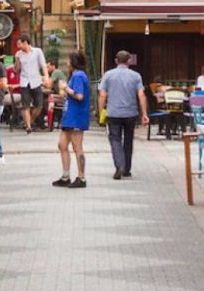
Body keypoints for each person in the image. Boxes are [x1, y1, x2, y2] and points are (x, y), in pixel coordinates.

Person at [98, 50, 149, 180]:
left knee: (114, 139)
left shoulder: (108, 75)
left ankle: (119, 164)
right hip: (130, 113)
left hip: (113, 113)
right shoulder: (136, 76)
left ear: (116, 61)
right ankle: (126, 169)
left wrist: (100, 111)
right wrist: (144, 113)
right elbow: (141, 95)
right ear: (129, 61)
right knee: (128, 140)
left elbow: (102, 95)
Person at [52, 51, 91, 189]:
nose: (67, 62)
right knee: (62, 145)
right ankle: (65, 175)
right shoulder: (75, 76)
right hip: (69, 116)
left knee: (77, 146)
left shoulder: (79, 76)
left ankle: (81, 176)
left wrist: (65, 88)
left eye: (69, 60)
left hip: (77, 117)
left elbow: (79, 96)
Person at [14, 34, 49, 134]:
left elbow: (43, 65)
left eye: (19, 44)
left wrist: (46, 77)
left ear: (25, 42)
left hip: (36, 81)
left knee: (39, 105)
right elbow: (16, 70)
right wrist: (17, 60)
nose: (18, 46)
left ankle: (31, 120)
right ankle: (28, 127)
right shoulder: (19, 54)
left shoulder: (37, 51)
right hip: (24, 82)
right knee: (26, 105)